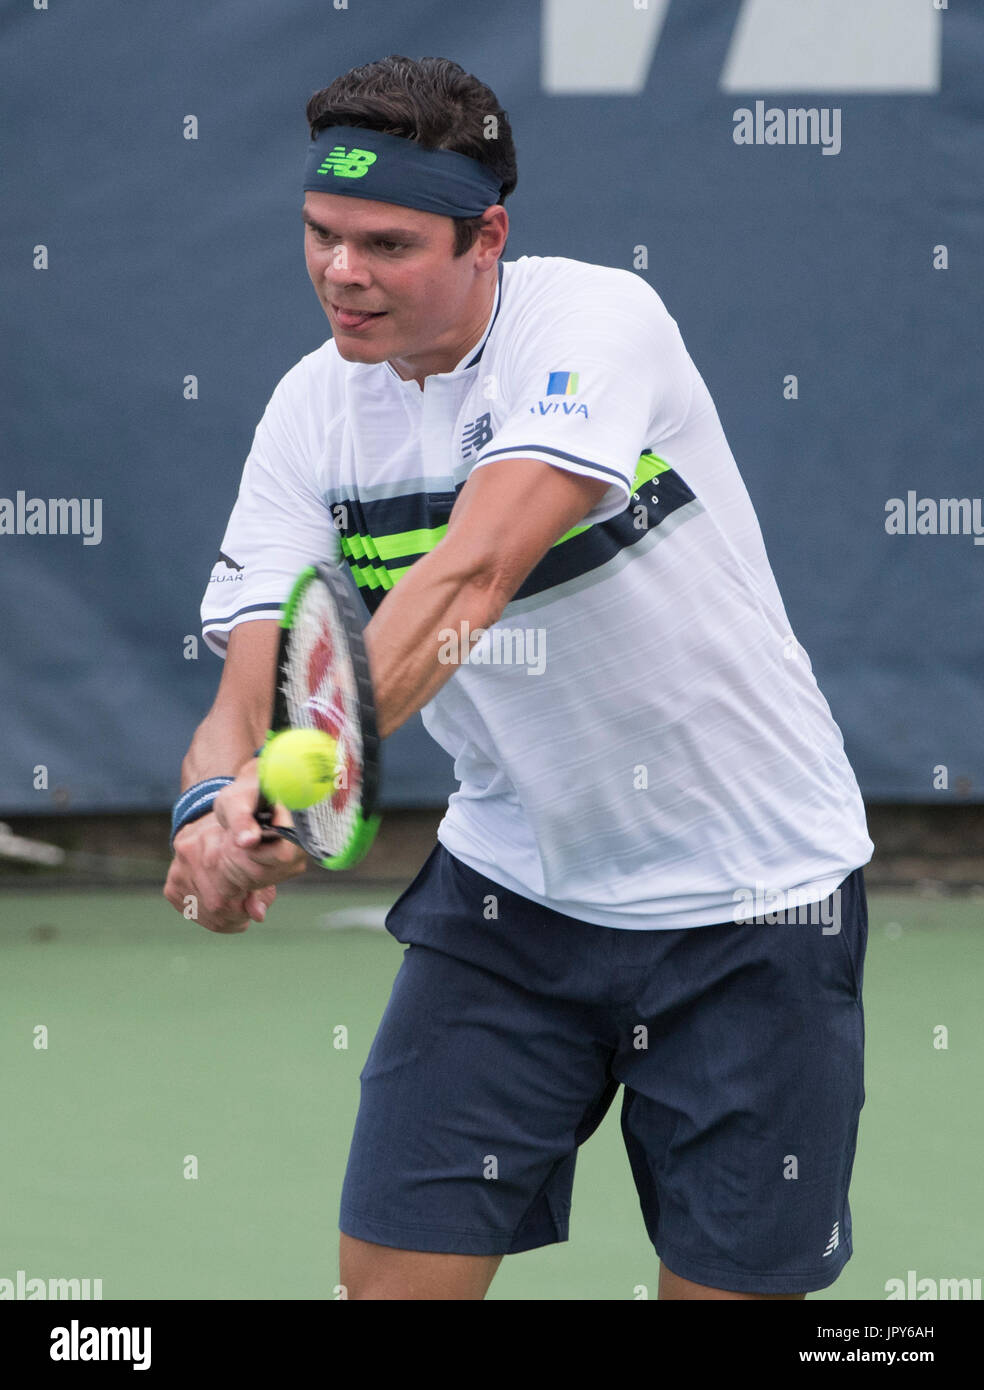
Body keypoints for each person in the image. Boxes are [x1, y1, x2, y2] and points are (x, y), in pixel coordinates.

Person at [164, 55, 873, 1302]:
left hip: (755, 899)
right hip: (511, 900)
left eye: (388, 244)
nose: (342, 272)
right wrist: (211, 817)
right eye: (322, 234)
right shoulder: (308, 413)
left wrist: (305, 782)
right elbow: (251, 692)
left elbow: (473, 576)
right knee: (391, 1288)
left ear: (485, 236)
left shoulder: (595, 323)